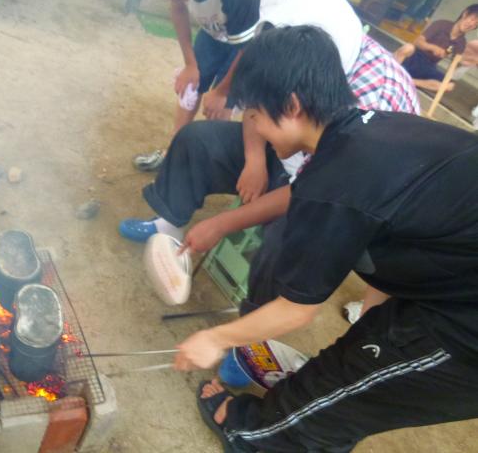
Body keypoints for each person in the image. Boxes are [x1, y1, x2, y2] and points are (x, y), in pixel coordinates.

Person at [173, 25, 478, 453]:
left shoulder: (336, 179)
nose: (255, 128)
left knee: (337, 405)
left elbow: (298, 309)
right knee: (359, 361)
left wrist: (215, 338)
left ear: (292, 105)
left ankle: (257, 436)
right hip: (457, 280)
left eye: (256, 116)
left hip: (467, 328)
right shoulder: (371, 128)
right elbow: (334, 198)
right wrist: (225, 223)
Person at [119, 0, 419, 248]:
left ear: (295, 103)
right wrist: (255, 160)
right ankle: (167, 225)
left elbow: (313, 186)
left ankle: (267, 301)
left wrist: (224, 222)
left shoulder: (367, 112)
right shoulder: (290, 43)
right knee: (198, 139)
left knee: (292, 235)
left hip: (335, 188)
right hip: (290, 145)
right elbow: (258, 102)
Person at [133, 0, 286, 172]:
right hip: (219, 20)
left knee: (220, 107)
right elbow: (177, 6)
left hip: (254, 26)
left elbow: (247, 49)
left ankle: (199, 164)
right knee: (191, 87)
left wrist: (223, 92)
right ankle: (174, 152)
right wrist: (190, 65)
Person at [395, 3, 478, 93]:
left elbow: (453, 67)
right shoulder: (442, 24)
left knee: (450, 85)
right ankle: (392, 72)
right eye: (472, 19)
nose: (471, 24)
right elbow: (418, 42)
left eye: (476, 24)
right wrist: (432, 48)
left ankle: (409, 81)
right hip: (414, 57)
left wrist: (466, 64)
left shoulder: (462, 43)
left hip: (429, 66)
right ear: (465, 14)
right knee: (408, 47)